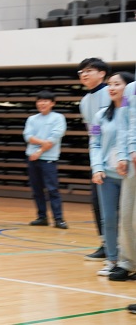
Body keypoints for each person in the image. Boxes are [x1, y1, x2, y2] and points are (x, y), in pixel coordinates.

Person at [89, 72, 134, 277]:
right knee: (109, 219)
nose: (112, 88)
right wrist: (97, 167)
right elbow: (94, 143)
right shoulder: (99, 116)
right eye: (110, 84)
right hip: (107, 175)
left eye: (117, 84)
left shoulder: (129, 113)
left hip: (127, 174)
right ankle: (112, 259)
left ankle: (128, 259)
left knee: (129, 220)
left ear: (129, 87)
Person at [78, 57, 111, 261]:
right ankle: (106, 244)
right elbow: (93, 132)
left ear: (102, 73)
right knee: (97, 203)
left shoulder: (113, 93)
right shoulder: (84, 101)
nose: (84, 74)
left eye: (89, 70)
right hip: (100, 160)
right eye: (81, 72)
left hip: (120, 159)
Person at [24, 90, 68, 229]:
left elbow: (54, 138)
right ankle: (42, 217)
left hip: (48, 159)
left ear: (52, 103)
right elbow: (27, 136)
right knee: (36, 190)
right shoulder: (32, 119)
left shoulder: (58, 118)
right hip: (32, 159)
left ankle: (58, 218)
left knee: (52, 189)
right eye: (39, 101)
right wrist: (43, 143)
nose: (42, 103)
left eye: (45, 101)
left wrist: (39, 150)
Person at [119, 78, 136, 313]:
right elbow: (127, 124)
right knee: (128, 220)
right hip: (132, 165)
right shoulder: (130, 90)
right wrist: (126, 151)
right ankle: (128, 261)